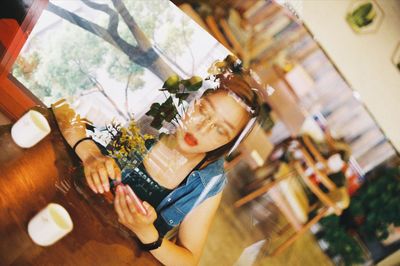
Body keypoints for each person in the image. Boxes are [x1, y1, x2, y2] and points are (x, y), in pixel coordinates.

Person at [55, 55, 263, 265]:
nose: (202, 129)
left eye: (220, 130)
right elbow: (62, 106)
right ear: (193, 101)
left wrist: (148, 233)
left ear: (227, 144)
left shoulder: (209, 181)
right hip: (64, 213)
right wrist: (91, 153)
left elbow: (188, 260)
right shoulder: (152, 115)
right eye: (204, 110)